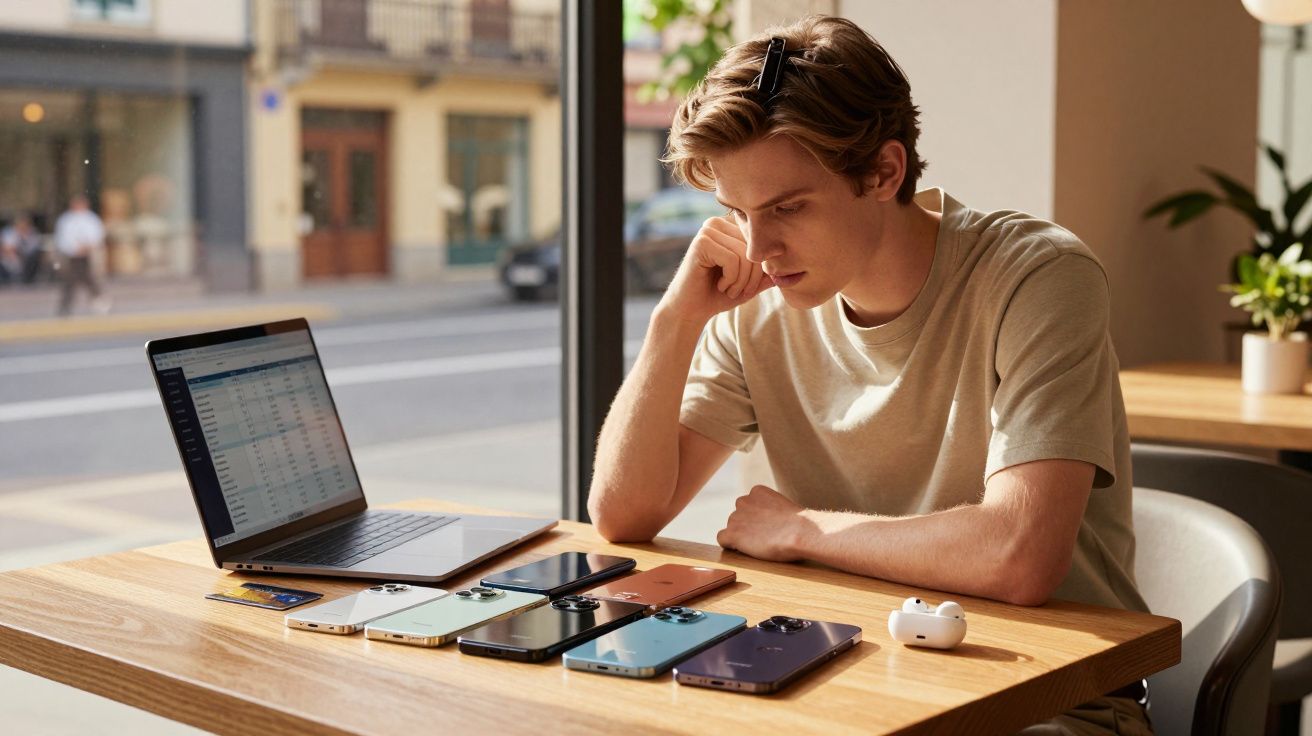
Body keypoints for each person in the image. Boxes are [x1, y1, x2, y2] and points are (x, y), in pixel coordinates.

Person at [587, 16, 1151, 735]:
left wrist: (803, 529)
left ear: (884, 172)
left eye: (788, 208)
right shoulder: (758, 304)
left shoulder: (1036, 276)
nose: (757, 249)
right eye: (736, 213)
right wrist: (674, 321)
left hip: (1053, 704)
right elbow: (625, 515)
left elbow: (1019, 556)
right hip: (854, 684)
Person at [53, 194, 111, 315]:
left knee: (90, 278)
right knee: (71, 281)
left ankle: (99, 301)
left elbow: (97, 236)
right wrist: (74, 247)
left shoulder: (91, 219)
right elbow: (62, 238)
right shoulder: (66, 220)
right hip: (71, 255)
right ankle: (66, 307)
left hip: (88, 254)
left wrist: (87, 246)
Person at [1, 213, 46, 285]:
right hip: (10, 261)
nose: (23, 226)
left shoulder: (32, 233)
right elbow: (8, 249)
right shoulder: (9, 233)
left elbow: (34, 248)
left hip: (27, 262)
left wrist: (25, 238)